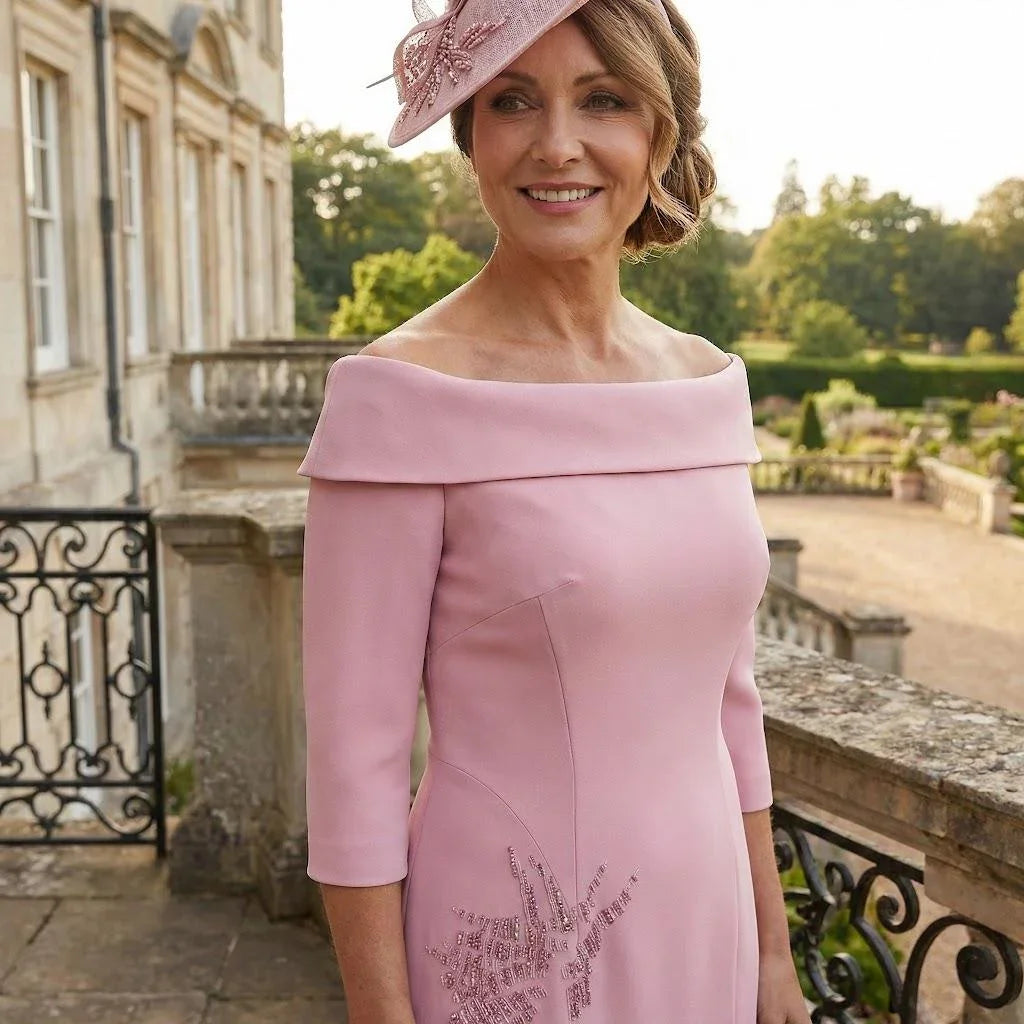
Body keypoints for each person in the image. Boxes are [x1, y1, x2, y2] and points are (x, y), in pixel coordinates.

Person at [297, 1, 812, 1021]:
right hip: (519, 951)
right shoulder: (396, 398)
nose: (557, 144)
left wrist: (772, 958)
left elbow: (730, 707)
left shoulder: (707, 385)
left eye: (603, 99)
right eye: (513, 101)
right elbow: (352, 766)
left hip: (706, 921)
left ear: (657, 134)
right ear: (472, 136)